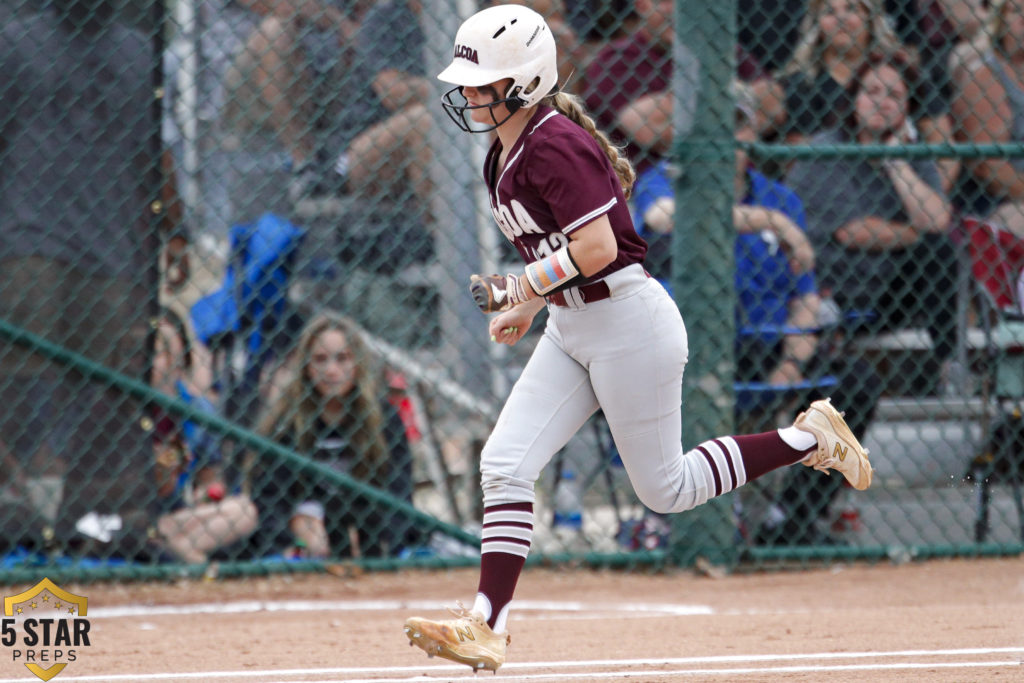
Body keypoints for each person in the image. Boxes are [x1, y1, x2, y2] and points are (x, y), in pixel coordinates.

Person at [402, 5, 873, 672]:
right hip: (574, 326)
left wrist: (519, 285)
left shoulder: (554, 141)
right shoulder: (502, 153)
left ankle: (810, 438)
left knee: (667, 489)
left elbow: (596, 247)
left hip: (629, 326)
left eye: (485, 84)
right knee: (504, 463)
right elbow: (563, 254)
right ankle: (487, 624)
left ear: (526, 83)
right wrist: (531, 301)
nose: (470, 96)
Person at [633, 87, 883, 545]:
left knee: (857, 381)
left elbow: (804, 297)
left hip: (765, 347)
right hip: (686, 352)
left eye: (739, 125)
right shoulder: (666, 179)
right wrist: (770, 222)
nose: (729, 137)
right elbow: (667, 217)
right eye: (716, 125)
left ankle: (789, 522)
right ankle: (675, 520)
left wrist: (792, 360)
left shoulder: (782, 198)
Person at [0, 0, 181, 554]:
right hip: (28, 240)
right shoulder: (13, 43)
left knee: (107, 393)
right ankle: (14, 507)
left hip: (114, 251)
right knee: (16, 380)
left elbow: (155, 150)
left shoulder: (138, 52)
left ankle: (88, 524)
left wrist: (177, 228)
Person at [786, 51, 959, 396]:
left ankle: (947, 366)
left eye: (895, 95)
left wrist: (896, 162)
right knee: (928, 242)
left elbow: (938, 221)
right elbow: (854, 232)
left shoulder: (912, 153)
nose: (882, 102)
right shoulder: (826, 149)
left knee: (940, 250)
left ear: (908, 108)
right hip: (832, 289)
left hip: (888, 291)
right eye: (872, 91)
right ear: (854, 99)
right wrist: (914, 232)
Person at [247, 312, 418, 560]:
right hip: (307, 522)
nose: (331, 370)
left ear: (357, 363)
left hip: (366, 521)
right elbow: (269, 494)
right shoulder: (287, 419)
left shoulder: (382, 417)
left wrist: (388, 542)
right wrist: (288, 539)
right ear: (306, 366)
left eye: (343, 358)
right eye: (320, 359)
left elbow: (399, 489)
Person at [754, 0, 957, 190]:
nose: (841, 18)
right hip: (832, 199)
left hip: (902, 195)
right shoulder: (801, 85)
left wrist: (930, 194)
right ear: (817, 24)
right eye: (829, 11)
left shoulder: (904, 74)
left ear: (870, 17)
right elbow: (800, 168)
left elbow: (944, 145)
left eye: (851, 9)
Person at [582, 0, 766, 172]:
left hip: (740, 184)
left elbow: (773, 105)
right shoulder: (616, 61)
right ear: (641, 5)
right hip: (650, 190)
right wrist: (732, 104)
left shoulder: (720, 49)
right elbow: (648, 131)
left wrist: (680, 104)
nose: (679, 9)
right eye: (666, 0)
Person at [149, 307, 258, 564]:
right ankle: (195, 562)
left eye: (166, 351)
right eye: (151, 351)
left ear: (182, 360)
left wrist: (208, 494)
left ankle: (181, 550)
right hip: (132, 520)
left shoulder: (196, 410)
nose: (156, 361)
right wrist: (162, 465)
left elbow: (209, 478)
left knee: (243, 510)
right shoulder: (118, 407)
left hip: (175, 521)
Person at [951, 0, 1024, 236]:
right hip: (999, 203)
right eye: (1015, 9)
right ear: (1000, 21)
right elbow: (988, 167)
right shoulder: (986, 76)